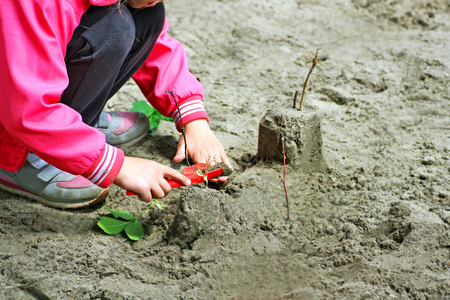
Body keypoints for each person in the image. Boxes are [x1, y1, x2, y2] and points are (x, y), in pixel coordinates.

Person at [0, 0, 231, 209]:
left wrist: (192, 117)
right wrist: (116, 165)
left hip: (26, 92)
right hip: (12, 120)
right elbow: (26, 109)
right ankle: (23, 158)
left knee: (147, 17)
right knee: (114, 29)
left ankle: (76, 123)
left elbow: (158, 48)